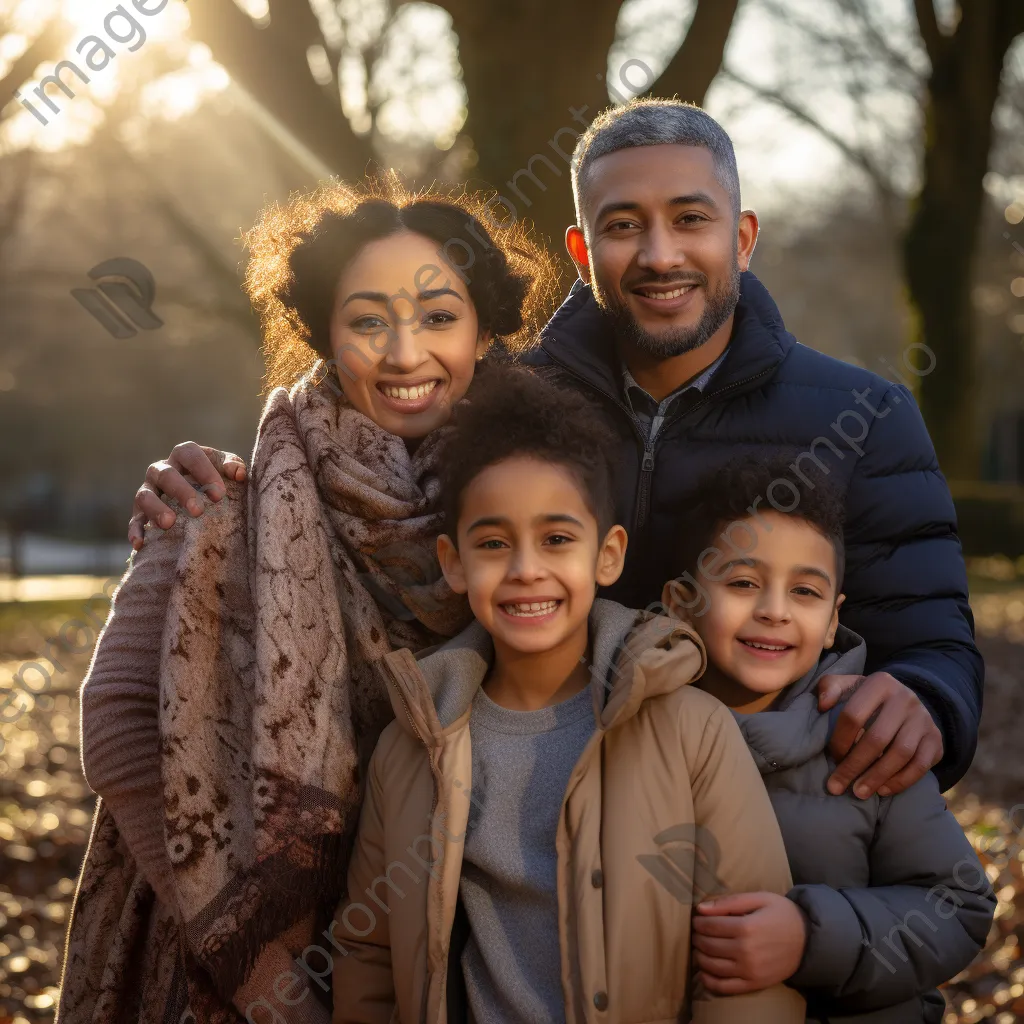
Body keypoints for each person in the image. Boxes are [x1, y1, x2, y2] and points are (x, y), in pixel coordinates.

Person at [129, 98, 982, 801]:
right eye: (622, 226)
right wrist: (213, 491)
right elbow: (355, 449)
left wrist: (929, 701)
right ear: (581, 251)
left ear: (743, 237)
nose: (659, 254)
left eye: (691, 219)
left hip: (780, 843)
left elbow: (934, 638)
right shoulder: (500, 401)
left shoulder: (865, 415)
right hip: (536, 850)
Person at [59, 178, 557, 1024]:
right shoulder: (215, 505)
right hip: (227, 963)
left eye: (440, 317)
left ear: (483, 328)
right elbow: (116, 721)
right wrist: (245, 952)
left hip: (458, 952)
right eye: (368, 321)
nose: (405, 354)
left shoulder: (540, 507)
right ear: (325, 331)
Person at [330, 366, 806, 1024]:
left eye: (557, 540)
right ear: (453, 562)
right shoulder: (412, 745)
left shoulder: (692, 732)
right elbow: (370, 952)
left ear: (607, 556)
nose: (527, 570)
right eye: (494, 543)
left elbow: (748, 966)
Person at [661, 453, 995, 1024]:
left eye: (806, 593)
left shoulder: (868, 739)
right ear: (681, 601)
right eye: (743, 582)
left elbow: (957, 906)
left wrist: (811, 939)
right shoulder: (642, 738)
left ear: (835, 617)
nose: (774, 611)